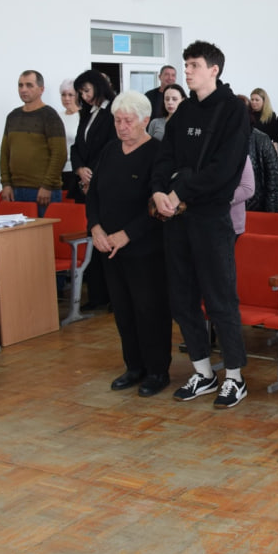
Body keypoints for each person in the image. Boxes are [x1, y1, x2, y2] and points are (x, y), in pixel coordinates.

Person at [151, 41, 251, 408]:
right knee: (182, 298)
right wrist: (161, 190)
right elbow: (165, 158)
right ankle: (203, 372)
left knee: (220, 298)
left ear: (214, 69)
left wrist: (181, 190)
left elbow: (224, 171)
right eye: (186, 65)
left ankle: (235, 377)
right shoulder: (184, 111)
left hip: (210, 219)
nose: (187, 71)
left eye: (193, 65)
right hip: (177, 218)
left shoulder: (232, 110)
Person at [88, 91, 170, 398]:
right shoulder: (110, 150)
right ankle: (133, 366)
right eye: (117, 121)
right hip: (109, 247)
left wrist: (127, 234)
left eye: (128, 121)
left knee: (149, 310)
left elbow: (157, 205)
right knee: (123, 310)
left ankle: (157, 370)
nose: (122, 127)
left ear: (145, 121)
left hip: (144, 248)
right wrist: (95, 227)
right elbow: (93, 194)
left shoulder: (158, 153)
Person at [0, 70, 66, 216]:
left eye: (29, 85)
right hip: (15, 190)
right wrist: (6, 184)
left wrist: (47, 185)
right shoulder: (13, 116)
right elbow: (5, 153)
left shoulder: (50, 116)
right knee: (18, 238)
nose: (23, 89)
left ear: (41, 89)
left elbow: (59, 154)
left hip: (43, 191)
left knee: (43, 238)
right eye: (20, 85)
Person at [70, 70, 118, 203]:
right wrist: (79, 169)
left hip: (102, 179)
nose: (84, 96)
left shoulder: (113, 110)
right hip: (82, 180)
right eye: (80, 93)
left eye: (86, 91)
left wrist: (89, 173)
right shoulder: (87, 113)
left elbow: (111, 145)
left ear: (98, 86)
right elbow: (76, 146)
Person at [246, 127, 278, 214]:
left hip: (255, 212)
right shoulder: (213, 136)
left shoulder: (261, 139)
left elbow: (275, 182)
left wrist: (271, 218)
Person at [58, 79, 80, 197]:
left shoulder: (82, 117)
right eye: (63, 95)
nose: (66, 98)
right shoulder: (57, 117)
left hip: (74, 170)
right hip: (58, 171)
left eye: (70, 95)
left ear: (77, 96)